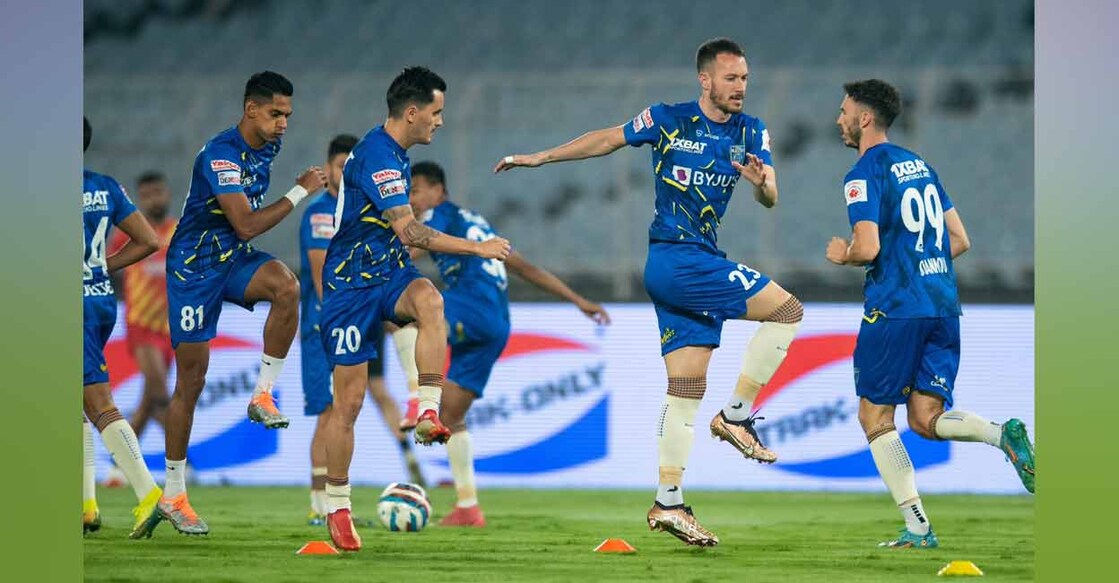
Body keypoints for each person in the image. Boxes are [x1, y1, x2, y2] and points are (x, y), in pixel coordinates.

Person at [494, 38, 802, 547]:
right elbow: (608, 139)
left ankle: (668, 501)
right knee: (788, 309)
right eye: (731, 78)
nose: (741, 87)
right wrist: (542, 157)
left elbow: (770, 197)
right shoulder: (668, 119)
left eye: (745, 78)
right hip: (677, 258)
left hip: (692, 262)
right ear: (705, 80)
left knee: (685, 389)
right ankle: (738, 416)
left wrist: (759, 184)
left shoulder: (752, 132)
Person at [825, 78, 1036, 549]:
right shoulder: (921, 166)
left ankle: (918, 526)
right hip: (941, 304)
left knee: (874, 417)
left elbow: (868, 246)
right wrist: (923, 272)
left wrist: (846, 255)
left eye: (843, 111)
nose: (838, 119)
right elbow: (960, 240)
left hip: (896, 309)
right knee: (924, 417)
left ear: (864, 118)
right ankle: (1002, 435)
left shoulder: (862, 173)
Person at [319, 66, 510, 551]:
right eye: (436, 112)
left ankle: (427, 410)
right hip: (348, 287)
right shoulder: (381, 157)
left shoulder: (397, 154)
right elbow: (410, 233)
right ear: (411, 112)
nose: (440, 122)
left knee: (429, 298)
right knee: (349, 403)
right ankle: (338, 506)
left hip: (387, 274)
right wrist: (476, 247)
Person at [396, 160, 610, 527]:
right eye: (408, 192)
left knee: (399, 310)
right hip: (496, 324)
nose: (411, 198)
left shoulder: (442, 215)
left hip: (472, 306)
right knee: (450, 417)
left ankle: (417, 396)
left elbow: (409, 246)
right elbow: (526, 268)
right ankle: (468, 507)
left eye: (415, 191)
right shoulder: (475, 222)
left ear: (438, 191)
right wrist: (578, 300)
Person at [160, 71, 327, 535]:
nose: (283, 124)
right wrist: (299, 191)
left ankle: (262, 394)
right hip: (194, 269)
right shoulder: (220, 155)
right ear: (249, 108)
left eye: (288, 116)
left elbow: (241, 236)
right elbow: (247, 225)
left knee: (287, 288)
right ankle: (173, 493)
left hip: (231, 259)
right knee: (191, 383)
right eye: (275, 114)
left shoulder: (266, 146)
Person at [299, 134, 425, 526]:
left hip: (363, 314)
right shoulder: (321, 214)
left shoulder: (366, 210)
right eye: (337, 166)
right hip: (328, 322)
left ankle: (406, 444)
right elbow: (323, 280)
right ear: (330, 170)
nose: (343, 172)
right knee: (329, 411)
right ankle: (321, 506)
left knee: (367, 394)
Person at [82, 116, 165, 538]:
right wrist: (98, 268)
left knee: (97, 403)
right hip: (99, 301)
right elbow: (148, 241)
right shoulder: (105, 186)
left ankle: (150, 495)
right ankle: (86, 506)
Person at [106, 172, 177, 454]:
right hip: (141, 325)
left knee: (147, 404)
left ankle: (120, 464)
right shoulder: (128, 233)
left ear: (167, 194)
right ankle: (185, 462)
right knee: (161, 396)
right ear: (139, 199)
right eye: (146, 195)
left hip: (171, 328)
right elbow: (113, 271)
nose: (154, 199)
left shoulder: (177, 231)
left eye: (158, 192)